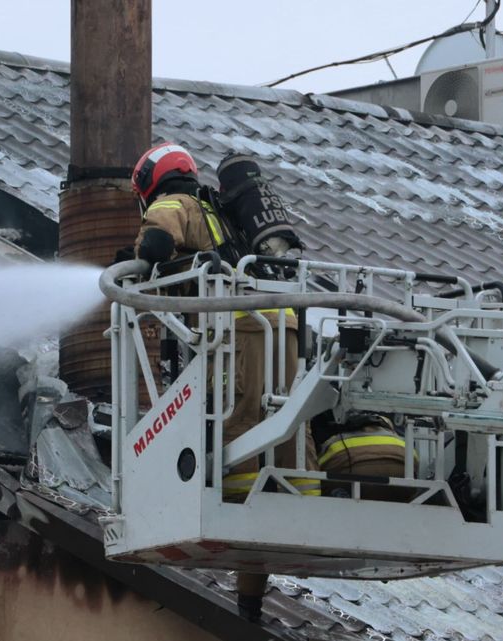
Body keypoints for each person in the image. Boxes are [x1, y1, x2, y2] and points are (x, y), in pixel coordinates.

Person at [130, 142, 318, 622]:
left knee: (240, 425)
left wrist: (144, 263)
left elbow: (154, 243)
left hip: (241, 328)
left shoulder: (177, 203)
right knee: (287, 425)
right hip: (289, 329)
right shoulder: (228, 213)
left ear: (152, 182)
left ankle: (241, 501)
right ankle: (295, 510)